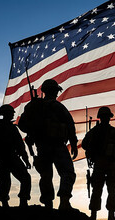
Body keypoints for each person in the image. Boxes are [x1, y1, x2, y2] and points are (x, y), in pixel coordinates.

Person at [18, 79, 78, 210]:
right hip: (56, 145)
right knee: (67, 172)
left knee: (46, 175)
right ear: (55, 91)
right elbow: (70, 124)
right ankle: (64, 202)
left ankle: (48, 204)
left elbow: (22, 124)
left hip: (42, 146)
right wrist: (73, 143)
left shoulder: (33, 106)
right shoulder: (57, 107)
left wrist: (33, 129)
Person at [82, 106, 115, 220]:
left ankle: (94, 216)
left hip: (100, 164)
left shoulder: (94, 132)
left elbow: (84, 145)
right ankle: (110, 217)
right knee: (110, 189)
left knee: (98, 189)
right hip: (109, 164)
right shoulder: (114, 132)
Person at [0, 104, 31, 207]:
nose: (12, 115)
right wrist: (26, 160)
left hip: (3, 157)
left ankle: (7, 202)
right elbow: (20, 146)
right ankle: (21, 201)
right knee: (23, 178)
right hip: (8, 157)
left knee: (6, 181)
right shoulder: (8, 128)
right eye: (11, 113)